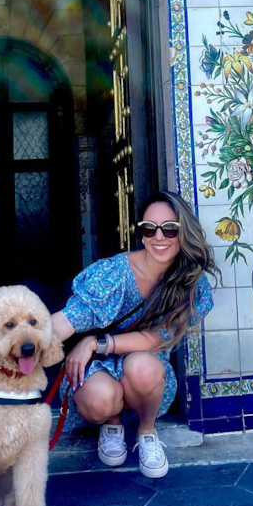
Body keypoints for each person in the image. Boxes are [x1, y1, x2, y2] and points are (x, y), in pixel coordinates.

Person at [51, 190, 216, 478]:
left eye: (170, 229)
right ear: (141, 233)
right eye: (149, 228)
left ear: (184, 231)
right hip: (98, 368)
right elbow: (69, 319)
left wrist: (96, 342)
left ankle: (147, 432)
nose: (159, 237)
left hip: (145, 370)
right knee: (100, 399)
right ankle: (111, 423)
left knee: (142, 364)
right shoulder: (116, 272)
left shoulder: (190, 283)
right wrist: (14, 344)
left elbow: (157, 338)